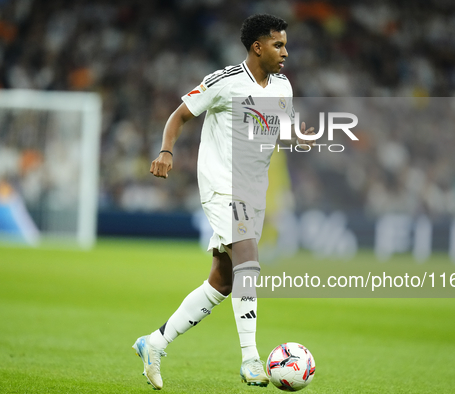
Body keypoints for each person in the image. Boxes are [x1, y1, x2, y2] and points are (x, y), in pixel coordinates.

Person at [133, 14, 314, 390]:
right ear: (257, 47)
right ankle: (250, 360)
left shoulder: (282, 86)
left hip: (253, 189)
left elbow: (276, 132)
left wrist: (299, 137)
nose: (285, 52)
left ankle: (154, 343)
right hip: (221, 185)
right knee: (249, 256)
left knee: (224, 280)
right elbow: (179, 115)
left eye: (286, 44)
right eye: (278, 45)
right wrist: (166, 151)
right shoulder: (225, 82)